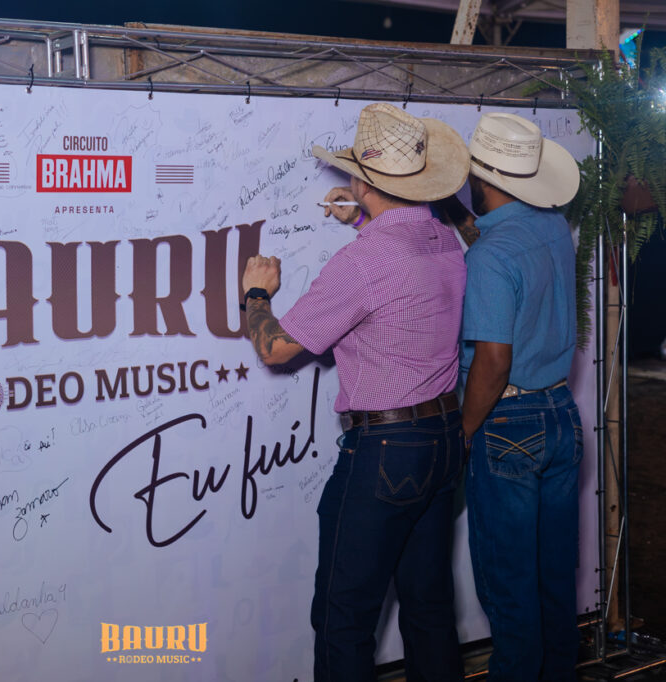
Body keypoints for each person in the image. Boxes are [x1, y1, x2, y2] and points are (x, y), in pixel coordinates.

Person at [241, 102, 469, 682]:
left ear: (363, 182)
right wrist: (365, 215)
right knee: (429, 609)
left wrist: (256, 295)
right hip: (445, 438)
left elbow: (276, 349)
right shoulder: (443, 239)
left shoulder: (363, 261)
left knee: (343, 619)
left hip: (387, 452)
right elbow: (398, 263)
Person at [456, 112, 582, 682]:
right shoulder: (553, 227)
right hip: (560, 414)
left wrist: (464, 431)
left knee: (509, 591)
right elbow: (500, 243)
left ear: (480, 179)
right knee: (553, 582)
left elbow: (493, 361)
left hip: (507, 422)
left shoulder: (489, 257)